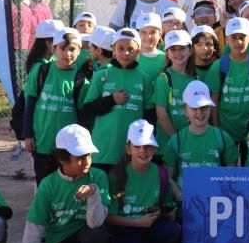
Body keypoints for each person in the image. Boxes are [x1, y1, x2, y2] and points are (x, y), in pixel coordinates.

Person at [6, 125, 110, 243]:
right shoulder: (48, 185)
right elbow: (33, 230)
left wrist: (94, 194)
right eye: (80, 158)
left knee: (96, 237)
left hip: (88, 231)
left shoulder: (98, 176)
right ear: (62, 159)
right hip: (59, 236)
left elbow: (96, 222)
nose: (87, 163)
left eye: (88, 156)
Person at [107, 120, 181, 243]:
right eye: (137, 146)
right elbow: (109, 218)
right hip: (127, 228)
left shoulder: (160, 173)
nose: (143, 151)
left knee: (171, 230)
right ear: (128, 148)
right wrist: (137, 222)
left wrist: (165, 212)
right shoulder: (116, 176)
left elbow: (167, 207)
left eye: (148, 146)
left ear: (155, 148)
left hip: (150, 226)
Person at [83, 28, 155, 173]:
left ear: (138, 51)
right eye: (121, 48)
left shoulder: (144, 78)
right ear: (113, 49)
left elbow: (149, 115)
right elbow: (89, 108)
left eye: (131, 49)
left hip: (132, 152)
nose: (126, 53)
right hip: (103, 150)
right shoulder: (102, 76)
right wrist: (112, 100)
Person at [23, 29, 90, 185]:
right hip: (43, 141)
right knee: (43, 181)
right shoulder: (41, 71)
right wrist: (28, 135)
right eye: (62, 48)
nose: (67, 54)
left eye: (72, 49)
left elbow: (83, 115)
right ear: (53, 49)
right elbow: (30, 104)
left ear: (80, 51)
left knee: (67, 181)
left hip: (68, 145)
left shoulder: (80, 80)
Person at [163, 81, 238, 202]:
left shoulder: (223, 138)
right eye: (194, 108)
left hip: (217, 206)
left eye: (204, 107)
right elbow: (167, 177)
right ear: (185, 109)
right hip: (186, 210)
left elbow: (233, 176)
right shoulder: (176, 141)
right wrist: (180, 195)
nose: (200, 113)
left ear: (210, 107)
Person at [203, 17, 249, 153]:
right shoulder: (219, 66)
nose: (238, 42)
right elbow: (213, 100)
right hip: (226, 129)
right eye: (233, 37)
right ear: (226, 40)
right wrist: (216, 128)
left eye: (242, 37)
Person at [153, 30, 197, 151]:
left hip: (190, 142)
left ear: (190, 50)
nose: (178, 53)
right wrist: (175, 138)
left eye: (182, 48)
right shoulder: (164, 78)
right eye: (173, 49)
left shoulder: (195, 78)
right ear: (167, 53)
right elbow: (161, 113)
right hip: (167, 144)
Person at [135, 13, 166, 81]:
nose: (149, 36)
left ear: (160, 34)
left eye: (153, 32)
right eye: (144, 32)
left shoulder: (166, 58)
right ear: (137, 33)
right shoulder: (131, 57)